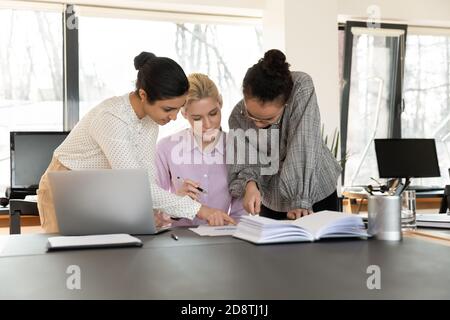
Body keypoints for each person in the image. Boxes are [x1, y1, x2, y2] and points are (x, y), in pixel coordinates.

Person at [37, 52, 235, 233]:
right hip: (65, 187)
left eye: (178, 108)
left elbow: (145, 180)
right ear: (143, 95)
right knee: (66, 256)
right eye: (168, 109)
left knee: (103, 259)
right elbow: (137, 186)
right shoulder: (112, 118)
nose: (175, 117)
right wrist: (202, 210)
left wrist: (156, 213)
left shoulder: (151, 123)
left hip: (101, 189)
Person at [227, 49, 341, 220]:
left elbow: (303, 143)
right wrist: (250, 185)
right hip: (272, 198)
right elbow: (244, 160)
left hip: (315, 192)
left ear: (286, 103)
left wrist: (300, 200)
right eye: (252, 116)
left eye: (268, 119)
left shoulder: (301, 87)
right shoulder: (237, 116)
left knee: (326, 247)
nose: (257, 124)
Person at [155, 73, 246, 227]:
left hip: (222, 242)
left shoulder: (239, 149)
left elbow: (241, 216)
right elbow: (154, 217)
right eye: (197, 118)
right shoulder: (166, 148)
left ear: (221, 103)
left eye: (213, 113)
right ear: (184, 113)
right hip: (177, 243)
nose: (208, 124)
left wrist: (229, 225)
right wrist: (175, 202)